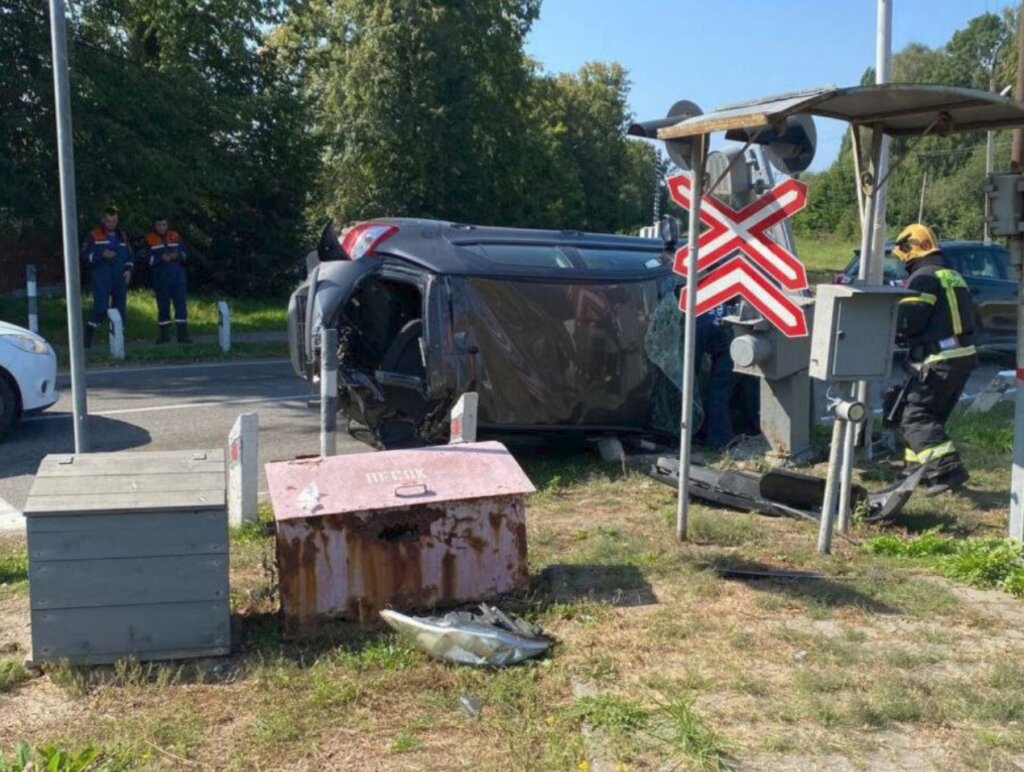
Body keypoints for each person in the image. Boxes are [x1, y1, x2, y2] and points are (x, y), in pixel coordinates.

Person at [892, 222, 978, 495]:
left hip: (939, 357)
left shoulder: (923, 277)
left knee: (915, 416)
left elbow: (910, 321)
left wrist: (891, 324)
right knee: (928, 416)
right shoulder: (953, 275)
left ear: (910, 250)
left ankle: (946, 470)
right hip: (963, 354)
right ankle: (916, 470)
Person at [80, 207, 133, 349]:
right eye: (109, 221)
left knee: (120, 309)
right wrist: (101, 256)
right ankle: (88, 334)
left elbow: (129, 255)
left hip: (119, 278)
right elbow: (85, 256)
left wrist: (128, 269)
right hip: (101, 277)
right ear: (103, 220)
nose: (111, 224)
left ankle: (118, 342)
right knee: (101, 308)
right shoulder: (94, 235)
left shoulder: (122, 235)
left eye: (114, 221)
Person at [144, 216, 190, 343]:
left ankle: (183, 335)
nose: (162, 227)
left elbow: (185, 254)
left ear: (167, 224)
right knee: (163, 307)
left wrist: (177, 256)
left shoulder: (175, 236)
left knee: (181, 306)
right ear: (155, 225)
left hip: (178, 278)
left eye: (164, 224)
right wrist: (160, 258)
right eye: (159, 225)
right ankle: (164, 336)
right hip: (161, 279)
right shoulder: (150, 239)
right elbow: (146, 259)